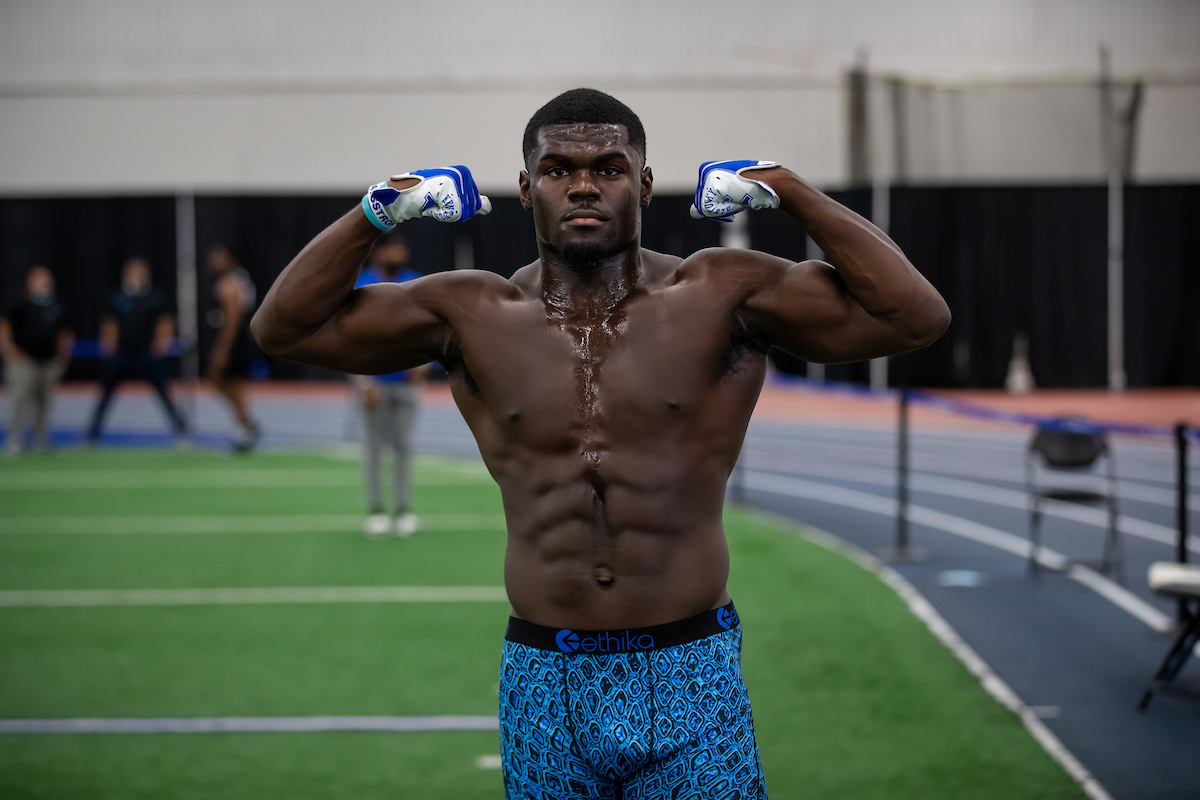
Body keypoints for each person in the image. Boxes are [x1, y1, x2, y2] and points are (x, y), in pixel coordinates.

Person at [251, 88, 950, 797]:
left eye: (609, 168)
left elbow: (914, 316)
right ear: (526, 189)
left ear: (644, 185)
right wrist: (375, 210)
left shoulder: (720, 294)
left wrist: (789, 190)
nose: (583, 185)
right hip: (544, 677)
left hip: (690, 666)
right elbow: (285, 330)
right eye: (557, 170)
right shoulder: (472, 312)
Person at [351, 232, 424, 538]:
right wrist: (362, 381)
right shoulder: (363, 284)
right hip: (375, 381)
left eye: (400, 248)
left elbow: (426, 327)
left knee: (404, 448)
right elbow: (352, 335)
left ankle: (404, 508)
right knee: (373, 449)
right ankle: (377, 508)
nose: (397, 254)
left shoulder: (417, 281)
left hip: (406, 381)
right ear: (379, 253)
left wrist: (423, 364)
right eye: (391, 250)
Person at [86, 257, 187, 443]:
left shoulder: (155, 297)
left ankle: (181, 431)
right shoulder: (117, 297)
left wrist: (159, 346)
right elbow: (109, 323)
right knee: (105, 394)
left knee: (164, 393)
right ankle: (92, 434)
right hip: (121, 355)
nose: (135, 275)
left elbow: (165, 322)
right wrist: (109, 347)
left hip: (146, 355)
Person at [1, 266, 74, 454]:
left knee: (45, 401)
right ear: (30, 282)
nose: (45, 283)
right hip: (24, 361)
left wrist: (63, 357)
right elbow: (4, 326)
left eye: (47, 280)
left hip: (49, 361)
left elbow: (65, 333)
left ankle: (41, 438)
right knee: (21, 398)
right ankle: (15, 437)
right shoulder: (19, 304)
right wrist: (10, 350)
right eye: (40, 279)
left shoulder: (56, 306)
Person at [206, 245, 261, 453]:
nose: (212, 260)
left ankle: (243, 430)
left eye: (218, 256)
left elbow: (233, 317)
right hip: (240, 339)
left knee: (230, 385)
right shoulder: (241, 278)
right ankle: (245, 424)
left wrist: (223, 349)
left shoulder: (229, 283)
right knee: (228, 385)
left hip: (234, 341)